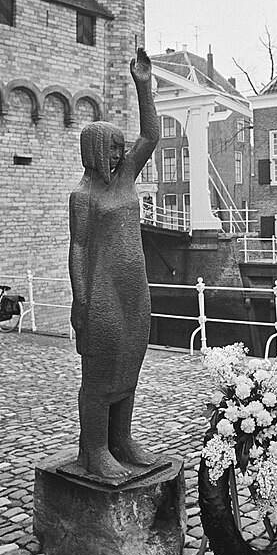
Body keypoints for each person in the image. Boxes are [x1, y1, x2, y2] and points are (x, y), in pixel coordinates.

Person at [68, 47, 161, 483]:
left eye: (123, 149)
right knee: (102, 369)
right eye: (114, 149)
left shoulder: (125, 178)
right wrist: (81, 302)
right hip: (103, 289)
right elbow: (79, 248)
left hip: (134, 286)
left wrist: (143, 85)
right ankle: (95, 448)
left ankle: (121, 437)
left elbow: (152, 136)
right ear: (95, 151)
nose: (121, 155)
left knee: (131, 359)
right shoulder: (83, 197)